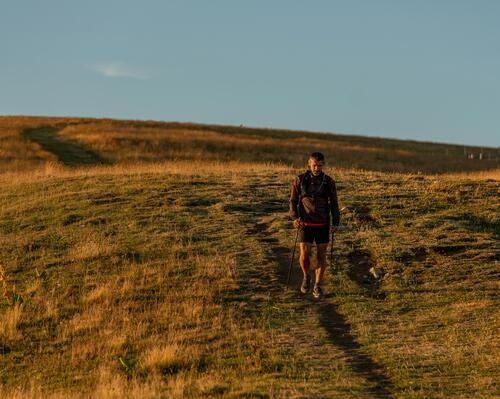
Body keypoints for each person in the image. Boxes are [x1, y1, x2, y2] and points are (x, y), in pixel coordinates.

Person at [289, 152, 340, 299]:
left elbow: (334, 204)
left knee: (321, 255)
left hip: (323, 223)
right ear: (309, 164)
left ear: (323, 165)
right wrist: (294, 217)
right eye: (314, 165)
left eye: (320, 165)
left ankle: (317, 285)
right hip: (305, 223)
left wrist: (336, 222)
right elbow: (293, 200)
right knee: (304, 253)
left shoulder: (329, 182)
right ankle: (306, 277)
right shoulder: (299, 179)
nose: (317, 168)